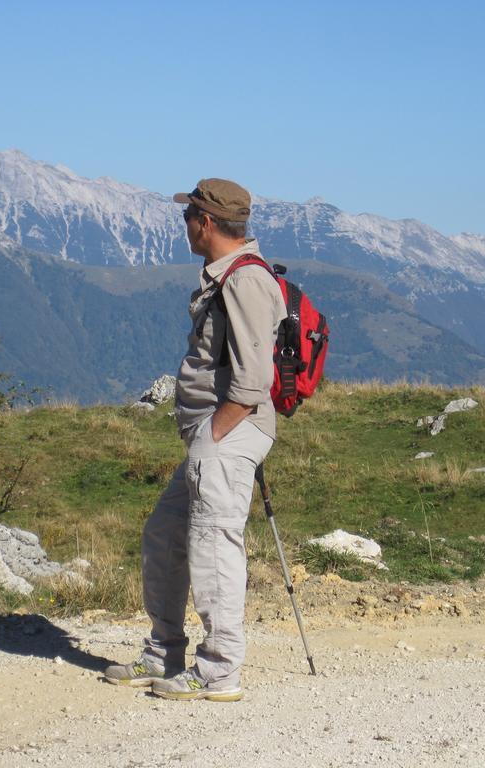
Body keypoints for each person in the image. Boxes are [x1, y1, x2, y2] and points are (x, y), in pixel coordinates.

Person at [104, 178, 286, 701]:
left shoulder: (244, 282)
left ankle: (218, 671)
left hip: (228, 431)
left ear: (205, 222)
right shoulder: (224, 276)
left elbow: (253, 381)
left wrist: (214, 433)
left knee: (212, 548)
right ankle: (163, 653)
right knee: (164, 534)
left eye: (188, 216)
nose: (183, 224)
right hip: (216, 436)